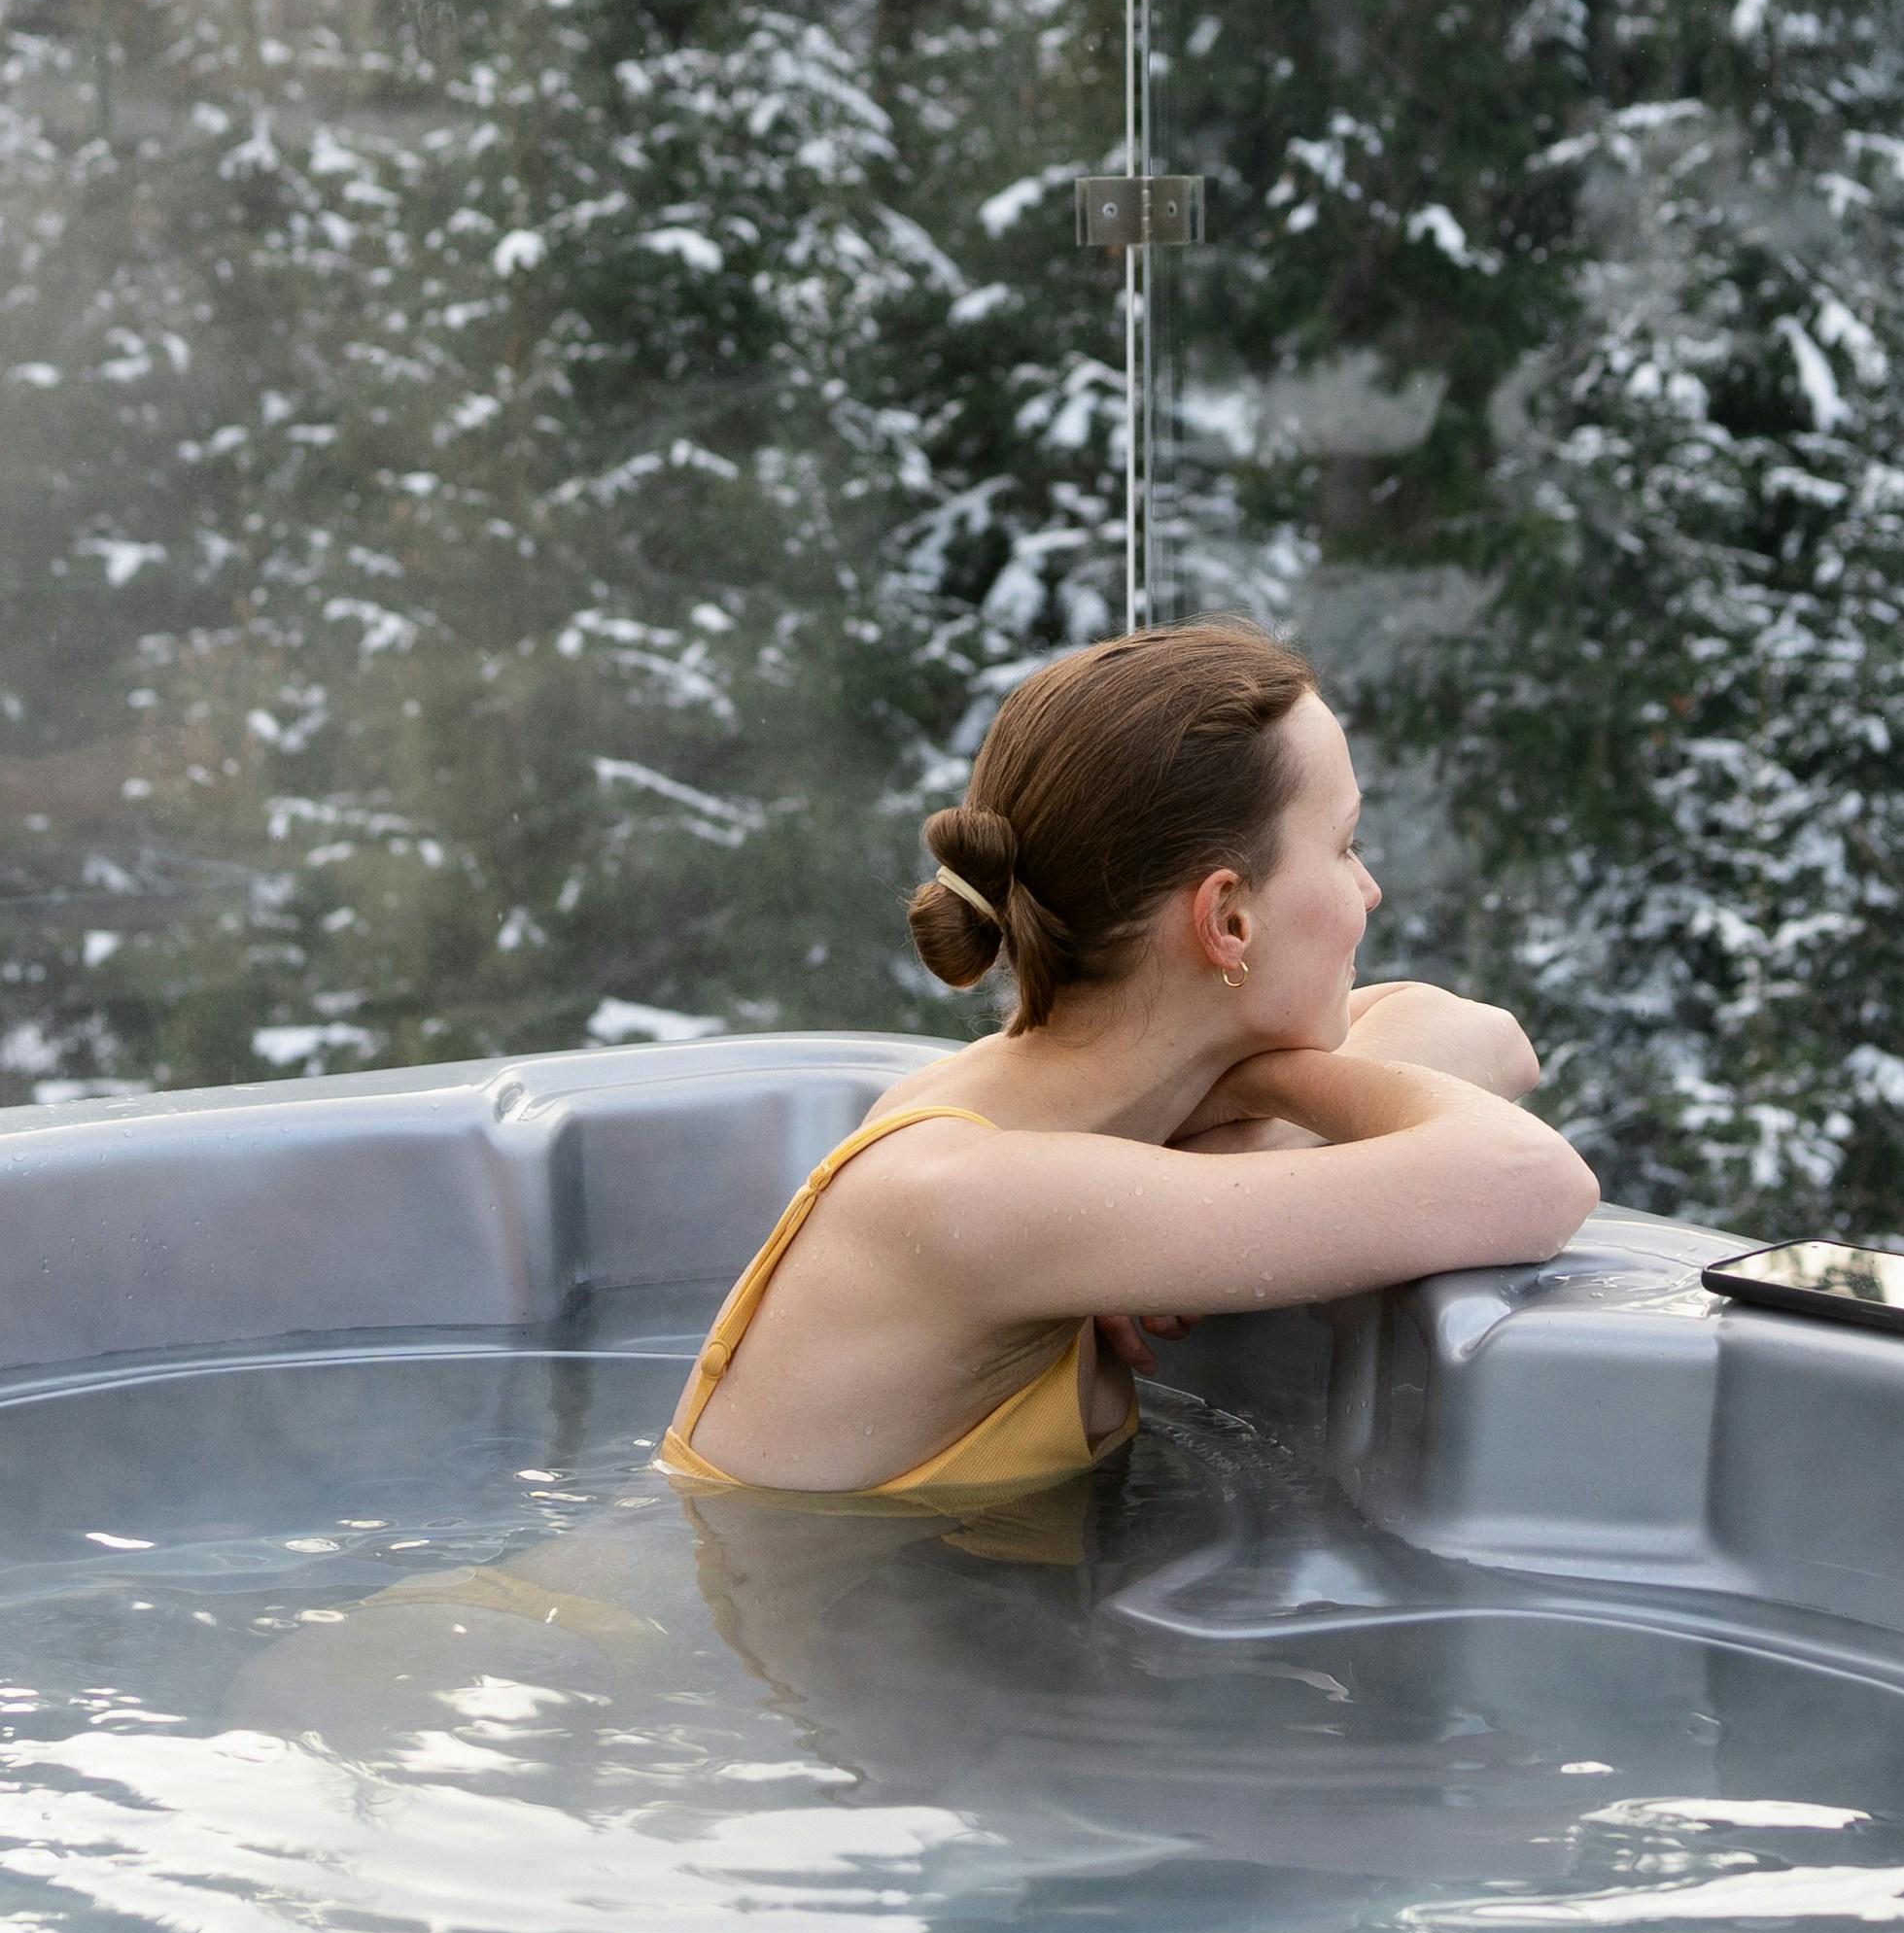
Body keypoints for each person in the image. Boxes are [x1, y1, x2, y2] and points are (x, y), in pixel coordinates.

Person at [654, 621, 1598, 1510]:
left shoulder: (1045, 1102)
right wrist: (1257, 1096)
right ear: (1228, 919)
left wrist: (1241, 1098)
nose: (1370, 887)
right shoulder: (970, 1190)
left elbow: (1487, 1038)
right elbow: (1534, 1176)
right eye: (1346, 844)